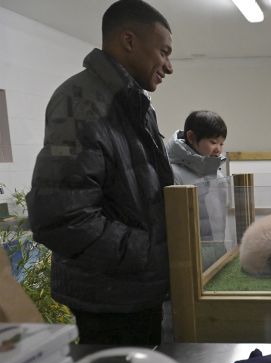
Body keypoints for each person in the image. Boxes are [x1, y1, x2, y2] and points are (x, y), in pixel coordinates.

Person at [26, 0, 174, 345]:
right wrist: (152, 253)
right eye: (164, 52)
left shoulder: (133, 103)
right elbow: (61, 218)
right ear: (129, 40)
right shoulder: (79, 101)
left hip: (137, 291)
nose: (169, 66)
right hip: (110, 301)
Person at [166, 110, 229, 268]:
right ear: (191, 137)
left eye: (221, 144)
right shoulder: (172, 173)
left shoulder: (219, 175)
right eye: (213, 142)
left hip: (217, 253)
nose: (218, 150)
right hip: (188, 258)